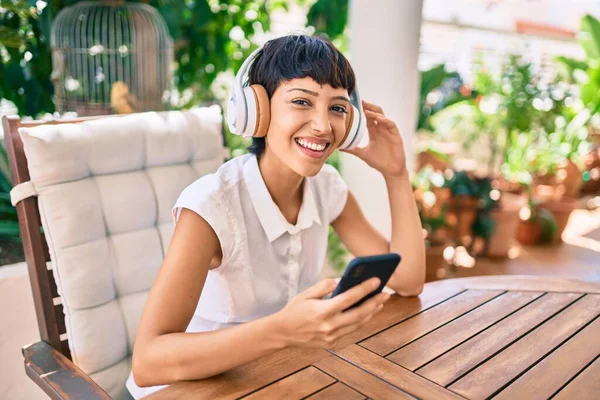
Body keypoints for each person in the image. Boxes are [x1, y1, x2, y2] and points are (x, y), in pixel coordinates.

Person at [126, 33, 425, 398]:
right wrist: (283, 330)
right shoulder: (210, 206)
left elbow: (408, 282)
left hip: (270, 379)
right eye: (302, 101)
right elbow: (147, 362)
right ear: (257, 111)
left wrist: (396, 175)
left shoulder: (326, 187)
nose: (323, 126)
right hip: (184, 389)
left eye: (337, 108)